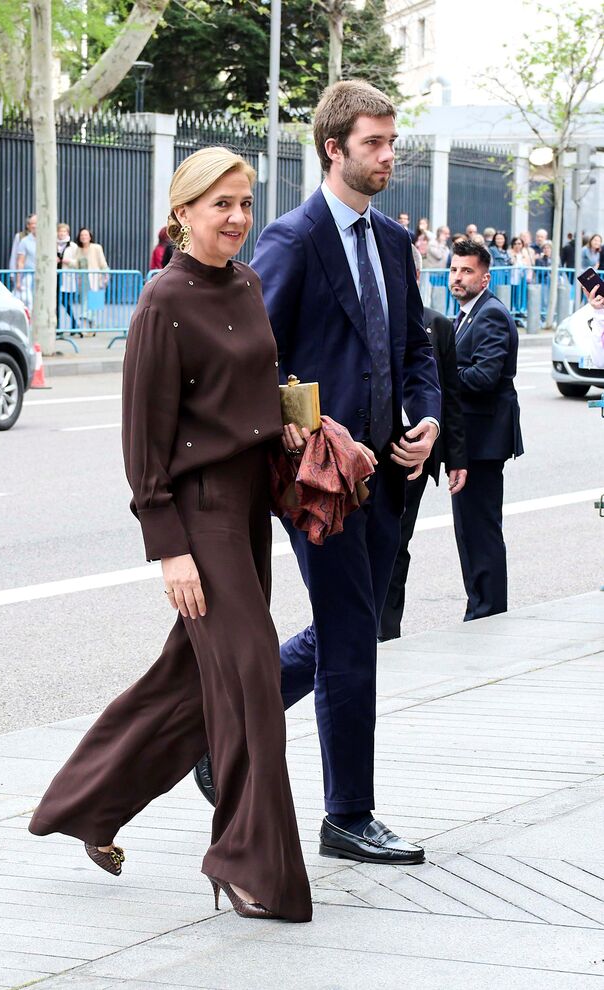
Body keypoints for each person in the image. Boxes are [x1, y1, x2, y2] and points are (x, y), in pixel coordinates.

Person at [29, 147, 313, 924]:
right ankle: (246, 862)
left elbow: (252, 387)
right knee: (255, 682)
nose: (238, 219)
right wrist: (171, 549)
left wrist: (289, 428)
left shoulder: (248, 285)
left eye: (246, 203)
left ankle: (88, 806)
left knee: (185, 685)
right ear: (183, 211)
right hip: (202, 518)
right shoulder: (161, 301)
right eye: (221, 204)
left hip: (250, 509)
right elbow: (143, 441)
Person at [199, 80, 440, 867]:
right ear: (334, 149)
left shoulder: (395, 242)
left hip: (389, 482)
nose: (388, 156)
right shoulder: (294, 240)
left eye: (391, 142)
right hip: (320, 485)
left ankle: (222, 731)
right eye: (374, 144)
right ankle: (349, 815)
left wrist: (426, 415)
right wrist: (308, 439)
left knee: (354, 628)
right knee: (352, 637)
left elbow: (417, 349)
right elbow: (248, 355)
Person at [378, 246, 467, 641]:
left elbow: (450, 394)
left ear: (413, 278)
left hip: (415, 450)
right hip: (369, 447)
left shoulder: (437, 325)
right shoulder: (368, 320)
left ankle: (387, 630)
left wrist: (455, 459)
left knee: (397, 543)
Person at [449, 238, 523, 620]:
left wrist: (444, 375)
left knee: (480, 528)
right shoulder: (466, 314)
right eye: (454, 269)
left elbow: (484, 376)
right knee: (470, 529)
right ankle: (479, 605)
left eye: (467, 271)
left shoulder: (490, 313)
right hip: (472, 439)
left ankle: (488, 610)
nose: (458, 277)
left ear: (485, 277)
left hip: (483, 440)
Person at [64, 228, 109, 328]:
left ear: (90, 237)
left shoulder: (96, 247)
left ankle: (91, 325)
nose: (84, 237)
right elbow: (76, 263)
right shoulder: (78, 250)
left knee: (94, 302)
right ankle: (85, 320)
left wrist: (105, 274)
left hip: (95, 278)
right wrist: (69, 262)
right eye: (82, 235)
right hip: (83, 279)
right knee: (84, 300)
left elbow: (102, 262)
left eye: (86, 235)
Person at [56, 223, 78, 332]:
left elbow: (77, 262)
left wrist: (67, 261)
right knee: (55, 303)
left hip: (66, 277)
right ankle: (57, 327)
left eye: (64, 231)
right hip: (55, 278)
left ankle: (74, 324)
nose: (61, 233)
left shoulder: (73, 246)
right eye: (60, 231)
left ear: (67, 233)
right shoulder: (52, 244)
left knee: (65, 302)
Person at [15, 214, 37, 308]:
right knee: (29, 303)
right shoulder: (24, 241)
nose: (34, 226)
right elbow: (20, 262)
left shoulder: (48, 240)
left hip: (45, 277)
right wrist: (18, 280)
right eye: (31, 223)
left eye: (36, 223)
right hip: (29, 277)